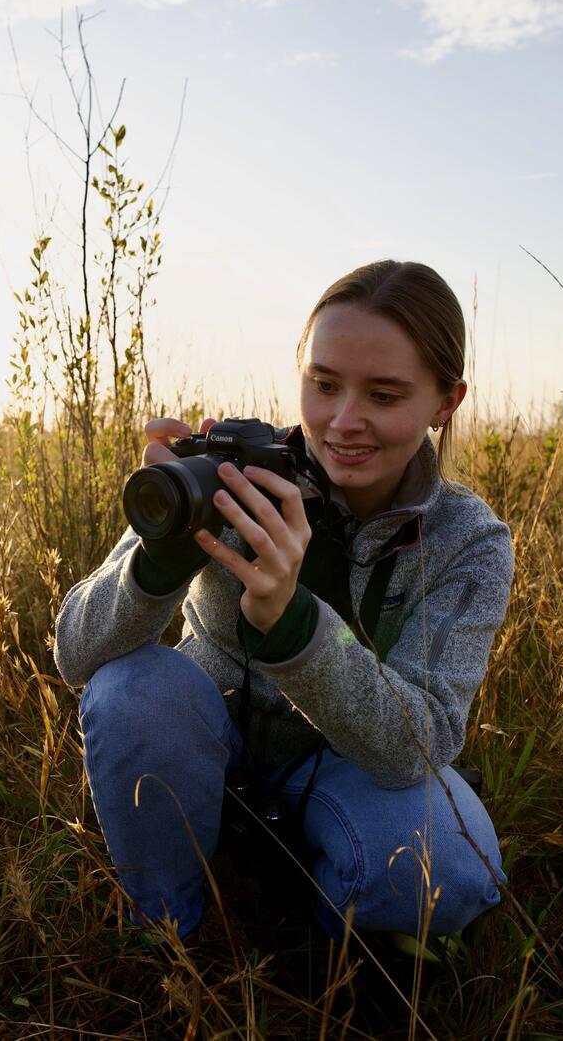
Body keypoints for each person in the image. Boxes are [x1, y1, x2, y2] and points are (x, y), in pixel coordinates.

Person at [53, 259, 512, 945]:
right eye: (323, 384)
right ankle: (171, 935)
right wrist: (162, 555)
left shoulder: (466, 541)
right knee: (131, 690)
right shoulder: (236, 472)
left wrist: (296, 629)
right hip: (208, 733)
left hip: (349, 766)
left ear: (446, 402)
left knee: (452, 869)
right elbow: (77, 654)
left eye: (384, 396)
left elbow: (422, 741)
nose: (342, 422)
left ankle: (314, 941)